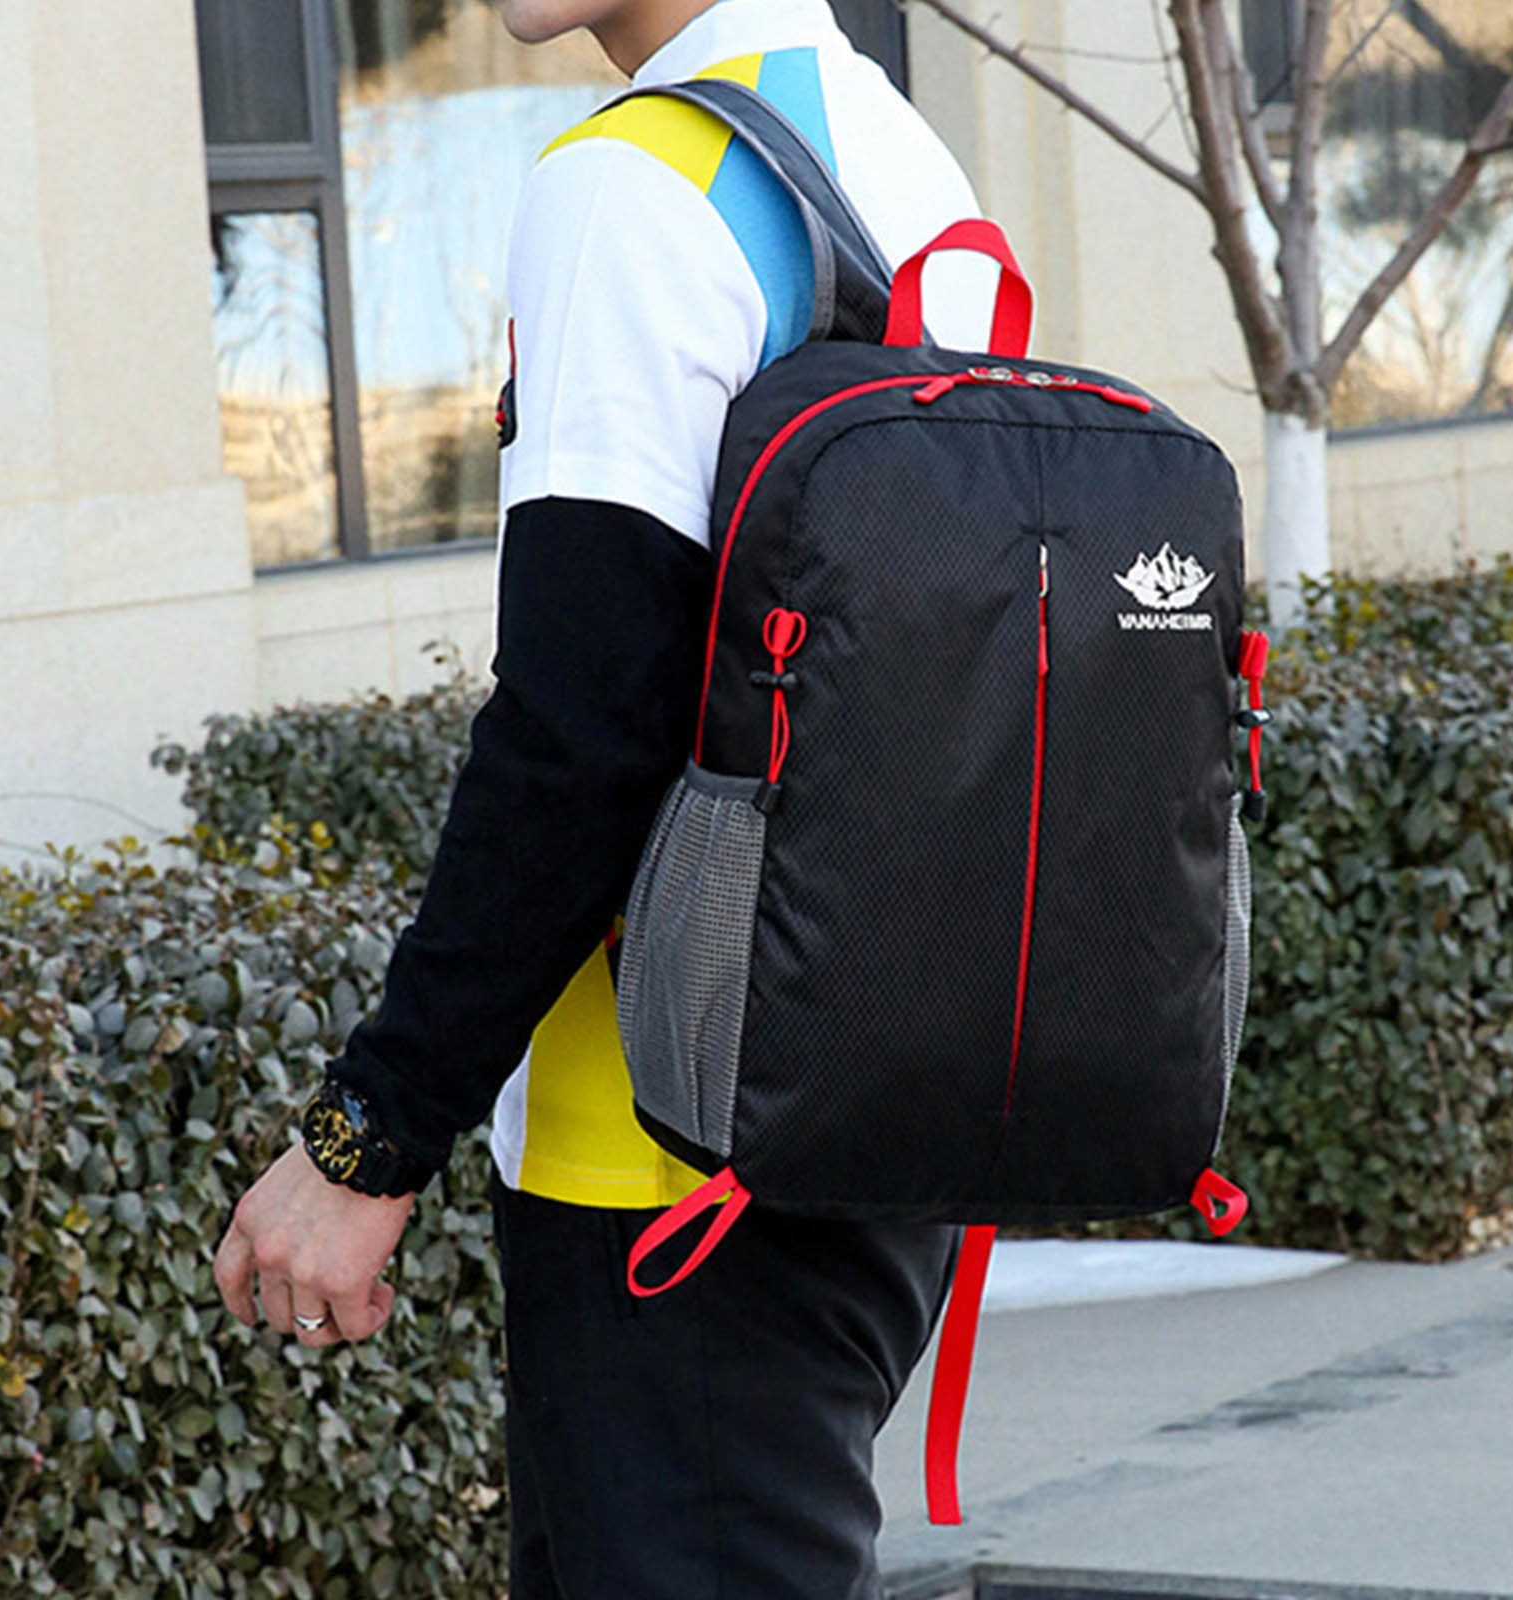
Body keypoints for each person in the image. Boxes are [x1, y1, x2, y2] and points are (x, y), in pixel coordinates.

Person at [215, 1, 1006, 1593]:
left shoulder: (637, 182)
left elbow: (583, 730)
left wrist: (367, 1136)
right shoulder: (897, 151)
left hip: (659, 1157)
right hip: (868, 1099)